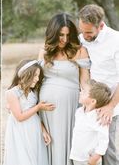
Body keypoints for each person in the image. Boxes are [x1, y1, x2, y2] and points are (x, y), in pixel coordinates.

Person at [38, 13, 90, 165]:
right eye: (61, 35)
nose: (65, 39)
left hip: (71, 106)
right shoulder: (44, 51)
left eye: (68, 35)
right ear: (53, 33)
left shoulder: (80, 51)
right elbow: (36, 81)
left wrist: (89, 105)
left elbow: (85, 83)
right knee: (51, 142)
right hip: (46, 109)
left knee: (69, 142)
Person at [78, 4, 119, 164]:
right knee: (85, 148)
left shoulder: (116, 40)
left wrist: (110, 106)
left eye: (89, 32)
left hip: (110, 105)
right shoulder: (82, 39)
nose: (84, 36)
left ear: (101, 26)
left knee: (107, 151)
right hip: (88, 103)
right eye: (82, 30)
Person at [3, 59, 55, 165]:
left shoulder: (34, 91)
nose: (37, 79)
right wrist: (38, 107)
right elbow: (19, 117)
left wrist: (43, 130)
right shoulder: (12, 93)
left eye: (38, 76)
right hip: (20, 131)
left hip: (34, 128)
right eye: (35, 75)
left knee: (36, 157)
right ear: (26, 75)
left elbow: (35, 115)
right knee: (24, 158)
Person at [70, 79, 111, 165]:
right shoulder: (79, 112)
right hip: (77, 156)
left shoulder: (99, 117)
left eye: (84, 92)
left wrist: (96, 156)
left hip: (90, 159)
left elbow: (104, 140)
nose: (80, 93)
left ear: (93, 101)